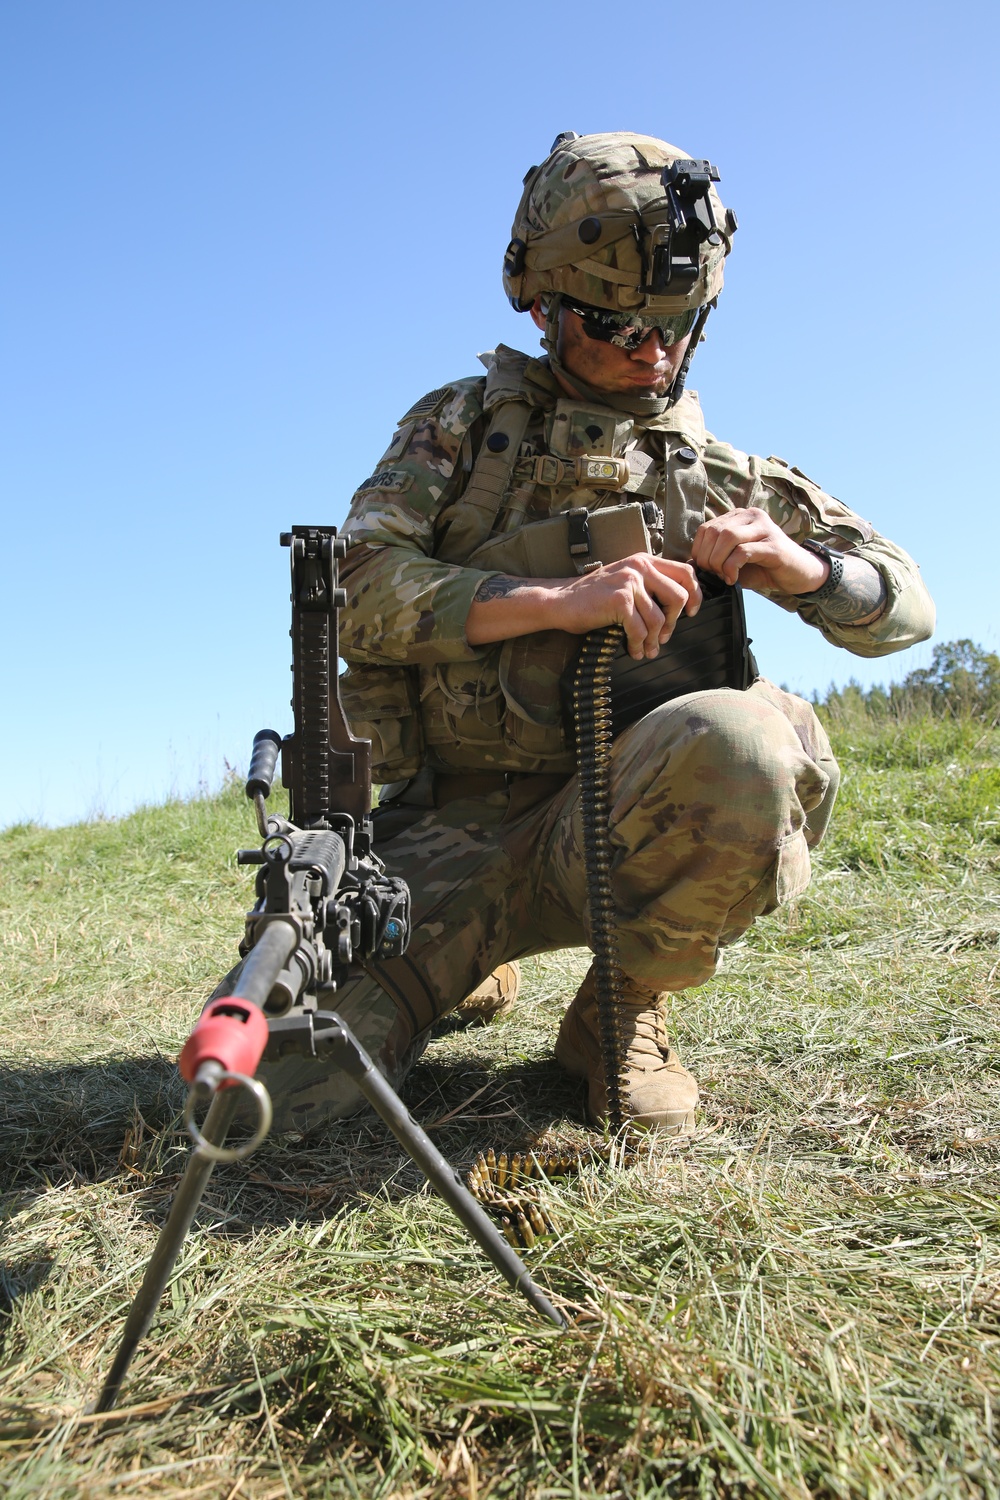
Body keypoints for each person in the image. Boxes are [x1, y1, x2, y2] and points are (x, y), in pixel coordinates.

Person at [263, 131, 934, 1136]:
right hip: (444, 829)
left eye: (676, 323)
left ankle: (620, 1008)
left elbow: (905, 609)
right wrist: (554, 601)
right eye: (614, 325)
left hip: (617, 829)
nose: (649, 352)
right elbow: (353, 585)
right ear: (542, 305)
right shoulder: (461, 428)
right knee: (281, 1097)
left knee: (753, 740)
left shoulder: (721, 473)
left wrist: (805, 567)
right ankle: (455, 965)